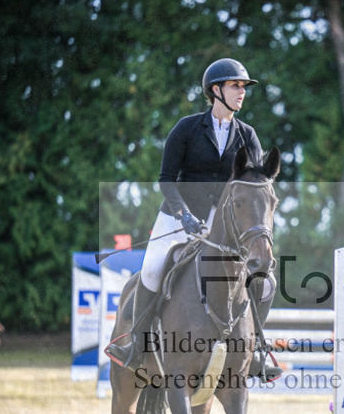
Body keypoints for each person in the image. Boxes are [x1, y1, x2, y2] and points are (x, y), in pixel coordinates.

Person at [105, 57, 280, 381]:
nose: (241, 92)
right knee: (154, 268)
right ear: (216, 90)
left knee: (265, 281)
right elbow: (167, 178)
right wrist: (183, 213)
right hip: (178, 215)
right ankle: (136, 347)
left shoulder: (248, 135)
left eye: (243, 87)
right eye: (235, 86)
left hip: (226, 223)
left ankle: (256, 351)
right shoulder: (186, 128)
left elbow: (254, 185)